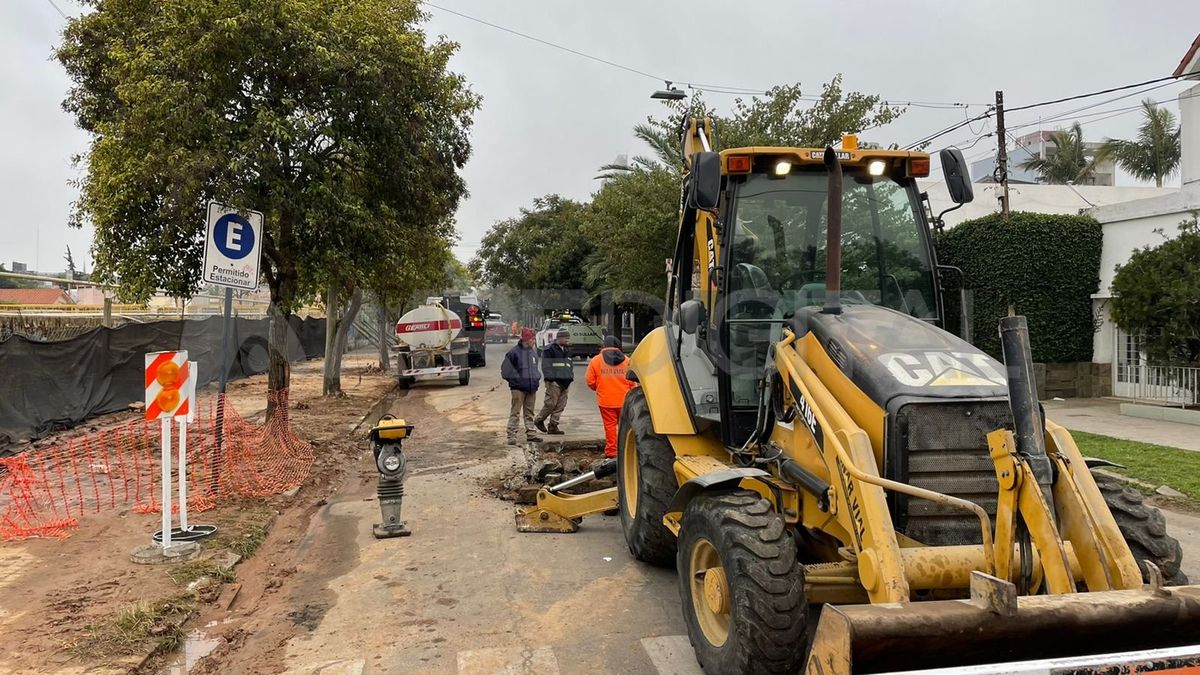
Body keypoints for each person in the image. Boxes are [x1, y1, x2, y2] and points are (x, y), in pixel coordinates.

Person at [586, 336, 637, 458]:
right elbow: (634, 382)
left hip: (606, 401)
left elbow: (590, 381)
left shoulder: (596, 361)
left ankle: (611, 452)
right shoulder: (627, 361)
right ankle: (626, 451)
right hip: (624, 401)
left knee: (610, 427)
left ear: (604, 346)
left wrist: (599, 388)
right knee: (626, 427)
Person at [501, 328, 542, 445]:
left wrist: (536, 379)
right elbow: (505, 371)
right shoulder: (513, 353)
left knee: (529, 412)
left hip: (531, 388)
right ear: (527, 339)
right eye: (532, 339)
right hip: (518, 388)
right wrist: (516, 381)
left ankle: (531, 434)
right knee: (515, 412)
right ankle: (511, 435)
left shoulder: (533, 353)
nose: (534, 341)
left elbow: (535, 369)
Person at [535, 329, 573, 435]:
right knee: (550, 404)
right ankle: (539, 420)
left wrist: (570, 377)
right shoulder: (549, 350)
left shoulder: (567, 350)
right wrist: (551, 379)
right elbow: (546, 367)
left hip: (566, 382)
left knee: (560, 405)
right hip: (554, 382)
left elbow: (570, 364)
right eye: (566, 338)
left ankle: (553, 426)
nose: (568, 340)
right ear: (559, 338)